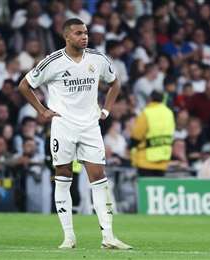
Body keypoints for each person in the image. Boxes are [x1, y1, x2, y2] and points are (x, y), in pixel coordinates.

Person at [18, 18, 132, 249]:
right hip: (63, 126)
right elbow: (24, 85)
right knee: (63, 177)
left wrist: (107, 110)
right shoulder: (53, 62)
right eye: (79, 33)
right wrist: (42, 111)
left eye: (86, 32)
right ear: (67, 36)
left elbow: (115, 83)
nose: (84, 36)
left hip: (90, 126)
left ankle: (108, 236)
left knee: (99, 178)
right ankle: (68, 237)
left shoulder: (97, 59)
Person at [130, 91, 176, 177]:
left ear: (150, 99)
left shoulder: (146, 113)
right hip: (163, 160)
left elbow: (136, 136)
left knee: (145, 189)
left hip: (146, 161)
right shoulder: (169, 113)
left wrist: (131, 147)